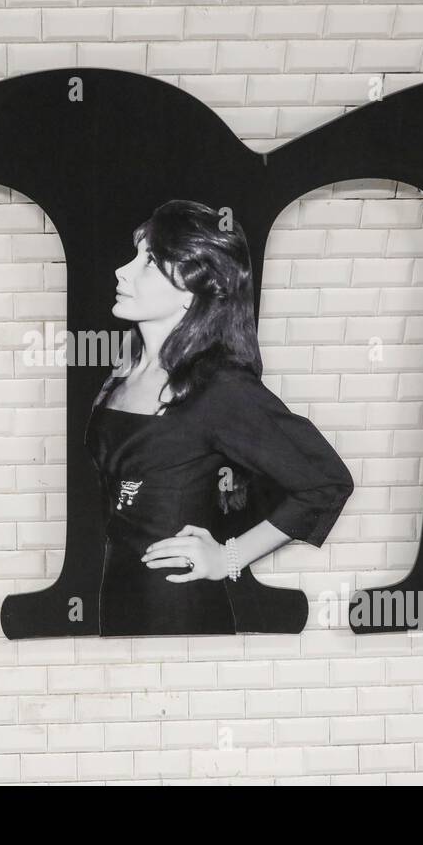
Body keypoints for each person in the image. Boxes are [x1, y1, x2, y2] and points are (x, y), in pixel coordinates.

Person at [89, 199, 354, 636]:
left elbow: (325, 482)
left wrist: (229, 557)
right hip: (116, 594)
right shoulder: (123, 370)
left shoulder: (220, 388)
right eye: (135, 256)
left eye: (150, 262)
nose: (123, 271)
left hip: (175, 607)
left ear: (197, 286)